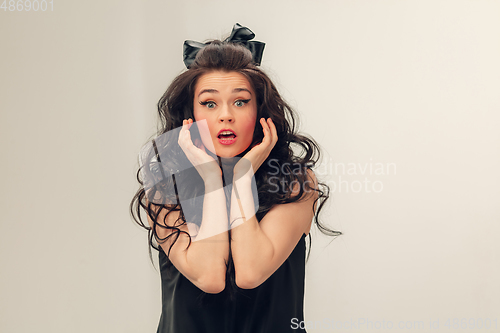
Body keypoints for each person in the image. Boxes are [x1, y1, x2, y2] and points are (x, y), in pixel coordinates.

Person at [130, 23, 341, 333]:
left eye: (240, 102)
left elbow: (251, 272)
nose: (225, 115)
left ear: (260, 112)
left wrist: (242, 177)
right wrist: (212, 178)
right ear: (190, 116)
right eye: (209, 103)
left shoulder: (296, 182)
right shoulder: (165, 187)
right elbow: (210, 277)